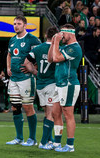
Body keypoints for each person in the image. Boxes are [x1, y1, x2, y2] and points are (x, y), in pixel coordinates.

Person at [6, 15, 41, 146]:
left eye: (19, 23)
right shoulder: (12, 40)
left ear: (25, 25)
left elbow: (41, 55)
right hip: (13, 78)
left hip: (26, 78)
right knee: (15, 107)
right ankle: (19, 137)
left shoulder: (33, 39)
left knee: (28, 107)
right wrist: (8, 67)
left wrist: (33, 68)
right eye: (14, 23)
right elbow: (9, 54)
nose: (16, 26)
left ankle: (32, 139)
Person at [48, 24, 82, 152]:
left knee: (68, 114)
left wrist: (56, 41)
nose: (61, 36)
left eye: (63, 34)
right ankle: (57, 143)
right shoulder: (64, 47)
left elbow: (56, 58)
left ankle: (70, 145)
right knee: (55, 113)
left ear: (71, 34)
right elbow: (51, 59)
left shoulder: (74, 48)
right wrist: (53, 43)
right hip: (59, 84)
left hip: (69, 84)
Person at [25, 26, 60, 150]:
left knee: (47, 113)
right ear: (56, 37)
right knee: (52, 114)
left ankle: (49, 140)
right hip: (51, 84)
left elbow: (26, 63)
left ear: (46, 35)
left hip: (40, 84)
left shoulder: (38, 48)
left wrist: (35, 72)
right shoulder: (57, 48)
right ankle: (43, 142)